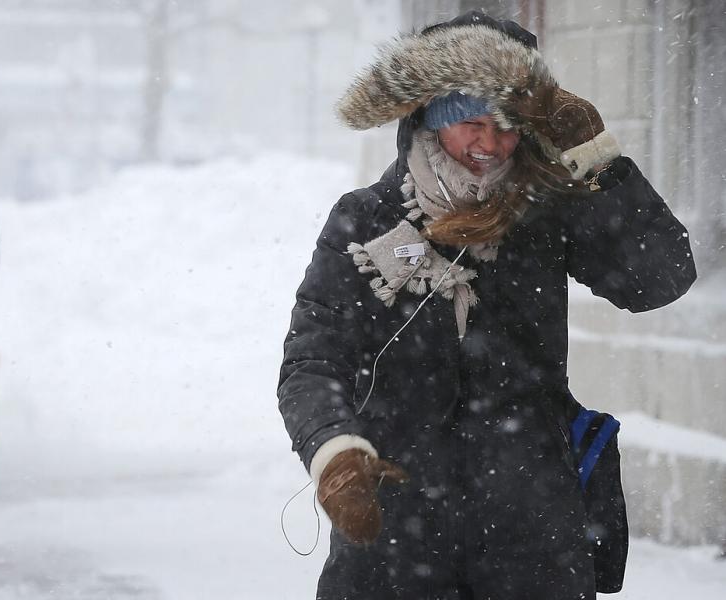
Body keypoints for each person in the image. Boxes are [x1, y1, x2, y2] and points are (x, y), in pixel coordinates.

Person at [277, 12, 696, 600]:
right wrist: (335, 451)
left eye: (507, 126)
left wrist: (597, 156)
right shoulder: (366, 217)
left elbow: (660, 278)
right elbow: (313, 360)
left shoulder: (548, 212)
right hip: (396, 537)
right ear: (429, 118)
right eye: (471, 122)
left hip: (531, 539)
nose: (490, 144)